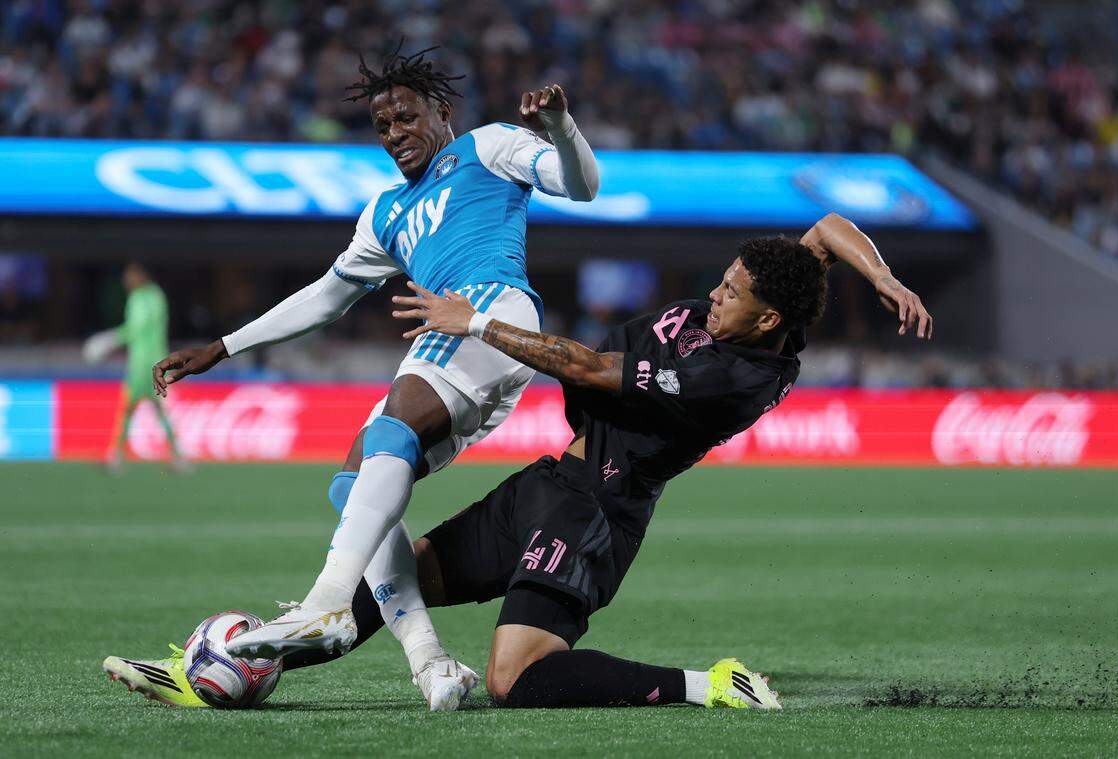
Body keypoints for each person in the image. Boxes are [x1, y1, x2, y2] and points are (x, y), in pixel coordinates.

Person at [106, 214, 931, 709]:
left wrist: (475, 324)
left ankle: (709, 683)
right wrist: (888, 279)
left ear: (767, 320)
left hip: (595, 513)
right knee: (396, 582)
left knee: (515, 677)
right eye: (720, 282)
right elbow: (824, 232)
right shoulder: (770, 296)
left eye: (730, 294)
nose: (714, 295)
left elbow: (587, 368)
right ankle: (224, 663)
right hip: (548, 482)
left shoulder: (733, 374)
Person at [140, 44, 600, 711]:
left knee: (390, 429)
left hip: (489, 312)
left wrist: (560, 126)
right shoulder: (385, 213)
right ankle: (433, 665)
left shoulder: (486, 147)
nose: (395, 135)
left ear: (440, 111)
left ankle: (327, 604)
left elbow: (582, 185)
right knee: (357, 478)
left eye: (407, 118)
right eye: (383, 127)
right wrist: (222, 345)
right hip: (456, 339)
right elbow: (325, 298)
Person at [91, 263, 186, 472]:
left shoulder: (138, 299)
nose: (126, 281)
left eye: (129, 277)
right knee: (159, 410)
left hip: (142, 365)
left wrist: (109, 340)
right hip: (160, 362)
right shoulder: (158, 295)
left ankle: (116, 457)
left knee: (128, 409)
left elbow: (135, 329)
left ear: (140, 276)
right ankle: (178, 457)